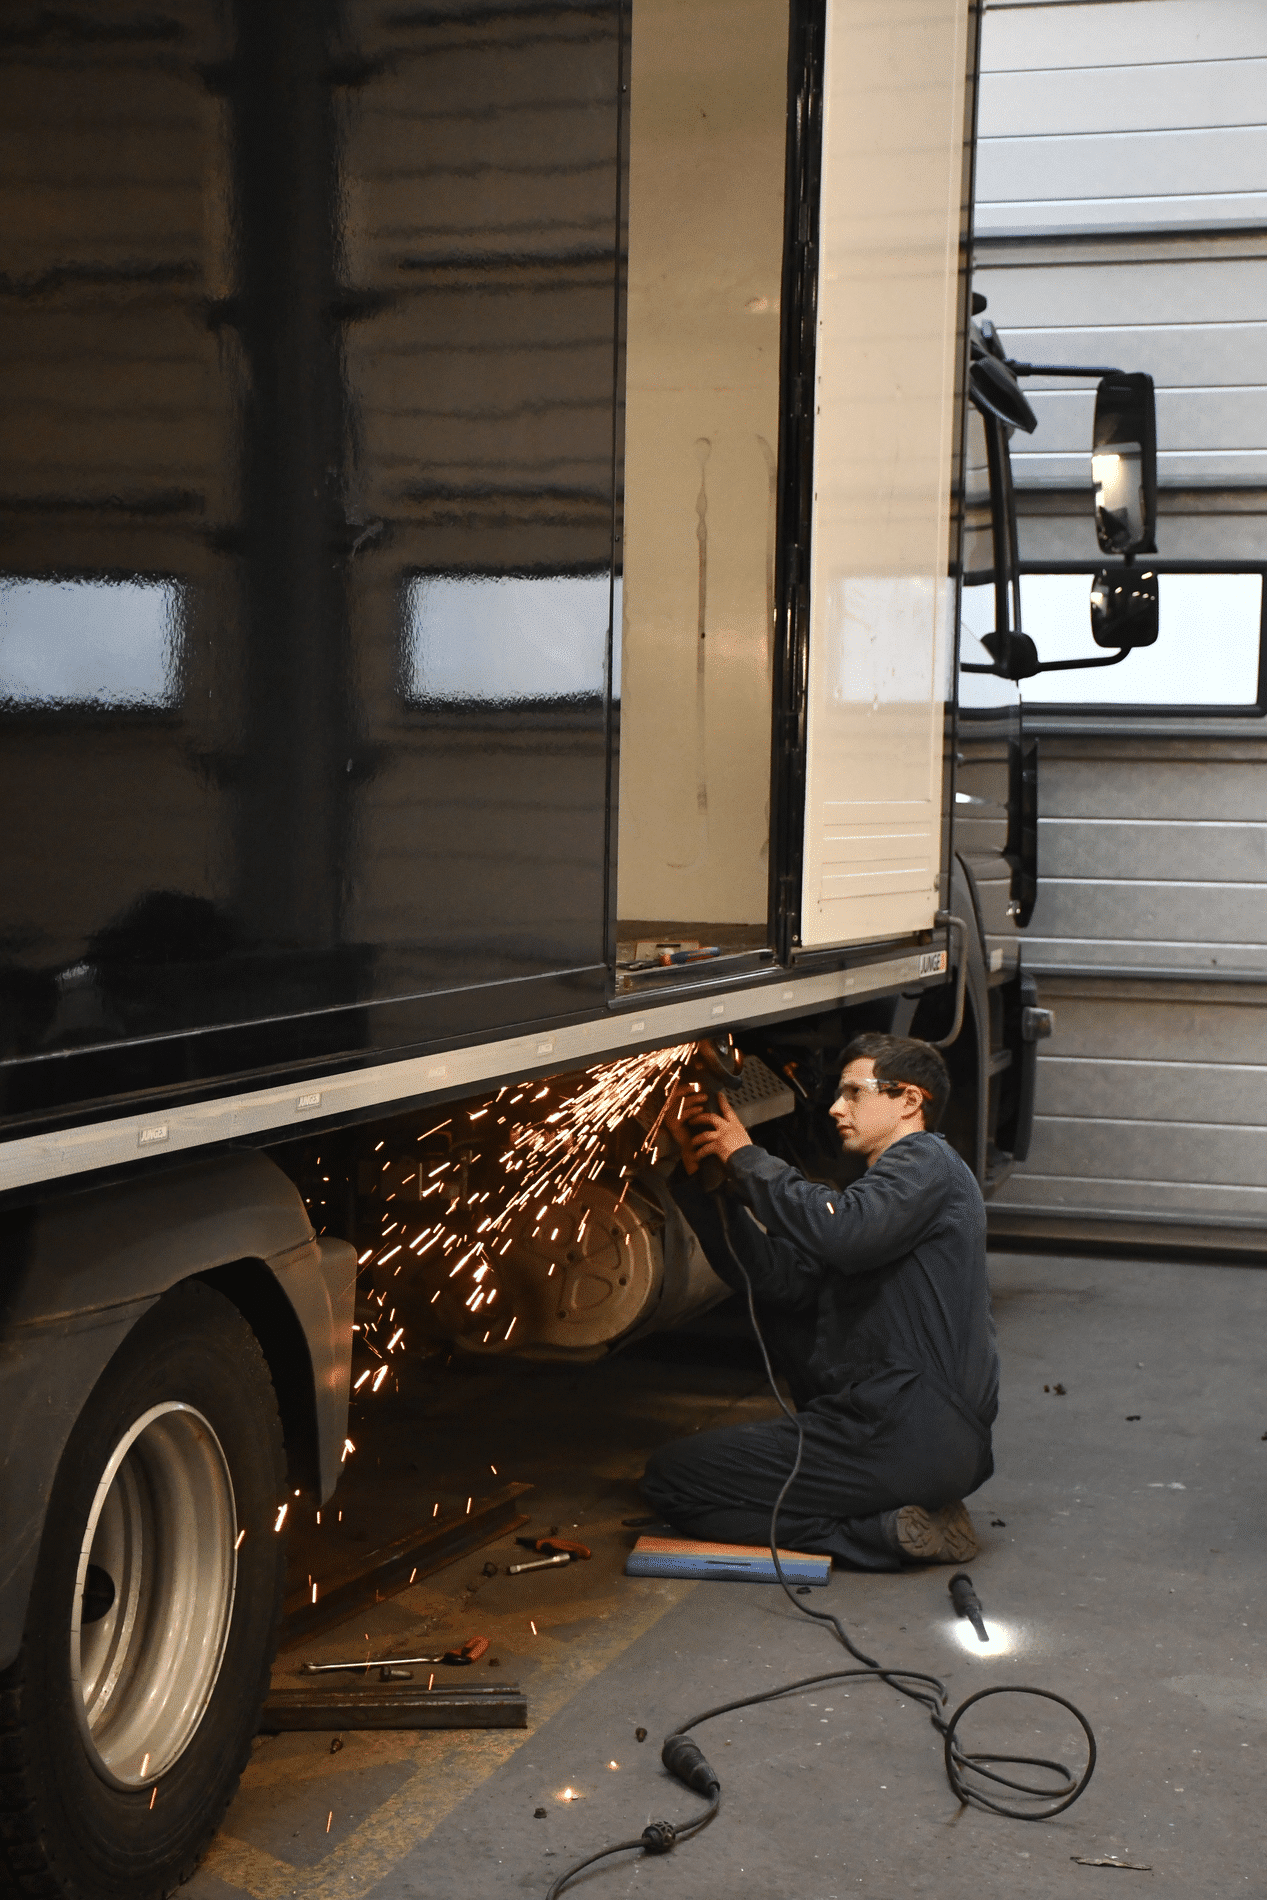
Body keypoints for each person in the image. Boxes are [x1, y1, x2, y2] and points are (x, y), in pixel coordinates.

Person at [641, 1033, 999, 1570]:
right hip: (914, 1438)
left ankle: (870, 1533)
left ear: (909, 1101)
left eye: (855, 1093)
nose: (836, 1108)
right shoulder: (884, 1198)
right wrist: (703, 1178)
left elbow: (843, 1232)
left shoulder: (927, 1161)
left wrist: (746, 1156)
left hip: (902, 1431)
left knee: (675, 1482)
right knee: (687, 1476)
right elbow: (773, 1278)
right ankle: (900, 1515)